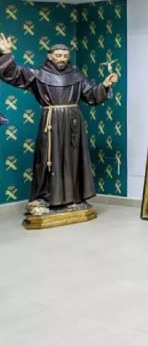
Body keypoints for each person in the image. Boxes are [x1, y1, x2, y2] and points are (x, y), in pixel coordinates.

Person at [0, 34, 118, 212]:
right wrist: (7, 52)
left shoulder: (77, 75)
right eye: (58, 55)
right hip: (51, 121)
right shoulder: (38, 75)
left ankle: (73, 198)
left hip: (73, 123)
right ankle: (44, 198)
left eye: (65, 55)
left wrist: (105, 85)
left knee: (72, 159)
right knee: (48, 158)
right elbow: (14, 74)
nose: (62, 59)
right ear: (49, 56)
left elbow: (92, 95)